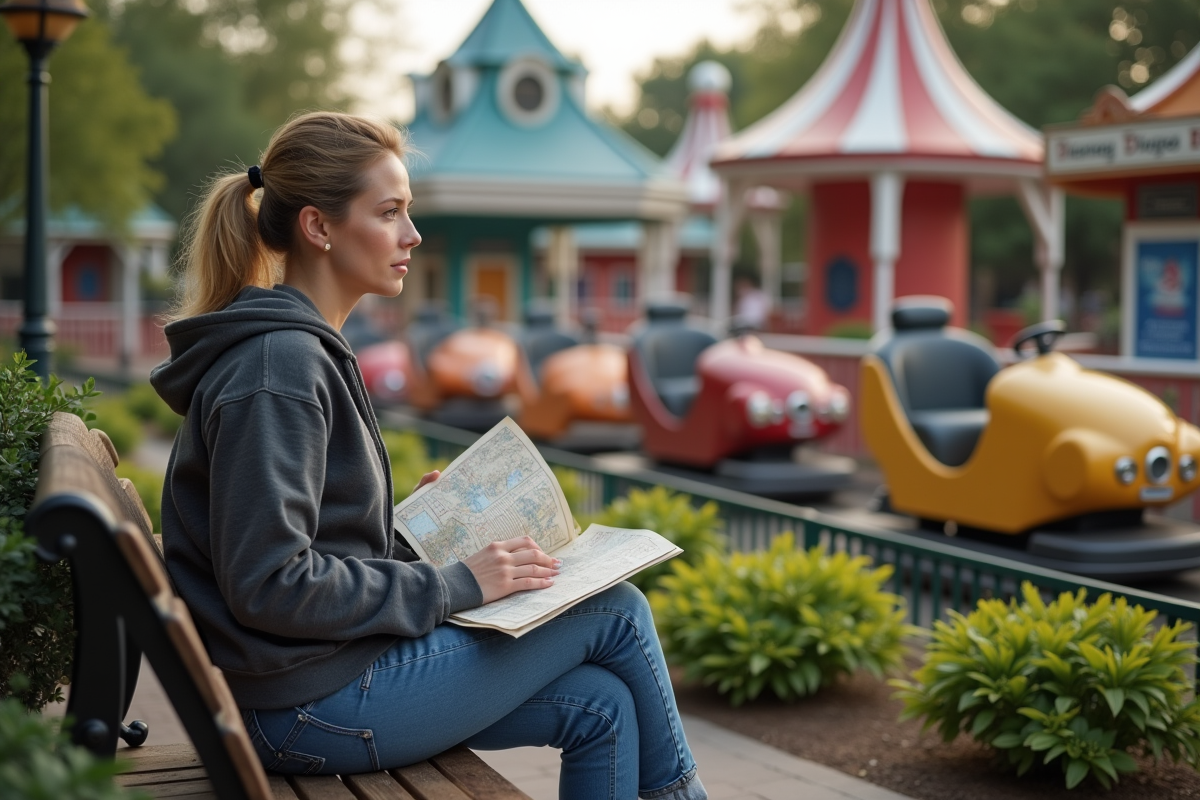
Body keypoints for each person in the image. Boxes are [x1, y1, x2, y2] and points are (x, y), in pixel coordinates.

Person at [149, 111, 706, 800]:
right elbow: (269, 583)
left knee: (602, 705)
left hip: (307, 684)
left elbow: (299, 545)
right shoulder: (281, 368)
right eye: (389, 213)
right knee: (617, 610)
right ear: (319, 227)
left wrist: (421, 535)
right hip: (303, 706)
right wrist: (456, 584)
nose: (412, 235)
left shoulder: (295, 351)